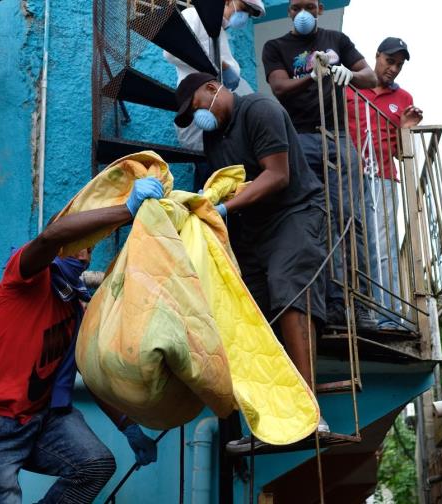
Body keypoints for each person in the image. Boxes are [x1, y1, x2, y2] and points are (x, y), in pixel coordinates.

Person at [0, 178, 163, 504]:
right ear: (61, 242)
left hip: (40, 419)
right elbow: (50, 235)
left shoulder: (76, 307)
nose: (87, 258)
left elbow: (90, 374)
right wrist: (126, 209)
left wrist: (128, 426)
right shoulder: (27, 276)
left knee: (95, 466)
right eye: (82, 244)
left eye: (91, 249)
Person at [172, 72, 329, 450]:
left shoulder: (259, 108)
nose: (199, 119)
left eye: (197, 108)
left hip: (295, 212)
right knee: (249, 315)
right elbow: (225, 180)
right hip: (253, 229)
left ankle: (310, 414)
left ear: (213, 88)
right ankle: (273, 419)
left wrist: (222, 207)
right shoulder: (213, 137)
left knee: (287, 287)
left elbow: (277, 175)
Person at [261, 0, 378, 328]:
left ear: (320, 9)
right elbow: (279, 87)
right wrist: (314, 76)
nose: (303, 12)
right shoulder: (276, 46)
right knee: (312, 221)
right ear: (288, 12)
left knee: (349, 219)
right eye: (296, 6)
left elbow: (370, 75)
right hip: (298, 141)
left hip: (338, 138)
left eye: (309, 6)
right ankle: (327, 303)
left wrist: (348, 74)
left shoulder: (336, 39)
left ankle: (359, 304)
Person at [346, 37, 423, 330]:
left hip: (384, 178)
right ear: (376, 56)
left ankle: (390, 317)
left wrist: (405, 130)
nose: (393, 69)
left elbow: (400, 151)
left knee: (386, 246)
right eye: (390, 61)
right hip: (352, 178)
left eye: (399, 65)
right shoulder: (352, 88)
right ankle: (360, 311)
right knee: (355, 245)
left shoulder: (404, 98)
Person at [164, 0, 265, 189]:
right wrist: (219, 65)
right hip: (199, 104)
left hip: (219, 112)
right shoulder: (193, 16)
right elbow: (171, 52)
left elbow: (230, 72)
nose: (244, 18)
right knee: (206, 170)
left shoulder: (221, 35)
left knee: (223, 175)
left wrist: (229, 69)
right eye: (244, 10)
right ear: (228, 1)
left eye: (249, 14)